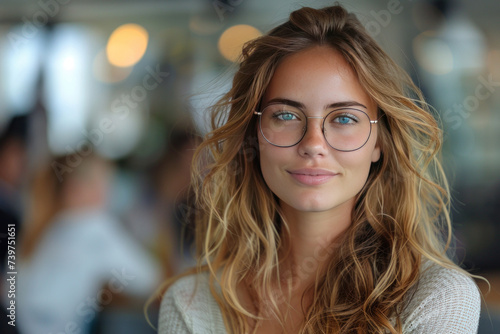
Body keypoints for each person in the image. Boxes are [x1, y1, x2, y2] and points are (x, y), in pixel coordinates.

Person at [157, 4, 481, 334]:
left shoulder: (437, 299)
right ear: (253, 135)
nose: (313, 144)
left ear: (379, 143)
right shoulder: (191, 304)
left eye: (344, 118)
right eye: (285, 115)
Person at [16, 153, 161, 334]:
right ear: (78, 188)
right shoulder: (94, 225)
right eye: (106, 184)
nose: (109, 194)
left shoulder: (41, 221)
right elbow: (150, 279)